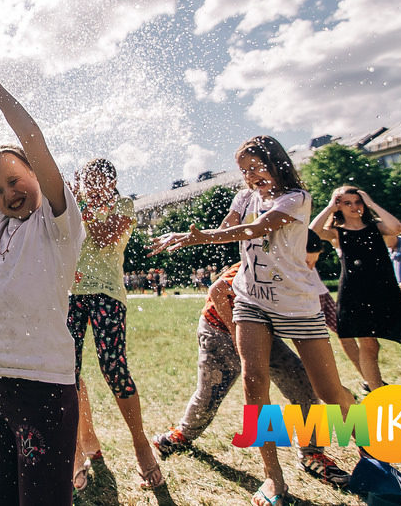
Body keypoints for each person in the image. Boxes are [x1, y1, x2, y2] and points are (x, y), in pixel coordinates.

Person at [150, 135, 356, 506]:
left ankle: (356, 428)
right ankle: (273, 479)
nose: (250, 176)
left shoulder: (296, 199)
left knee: (327, 392)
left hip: (295, 303)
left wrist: (205, 237)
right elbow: (232, 225)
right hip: (251, 299)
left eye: (257, 166)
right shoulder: (244, 197)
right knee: (255, 381)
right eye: (244, 170)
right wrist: (189, 235)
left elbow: (257, 229)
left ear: (277, 162)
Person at [0, 60, 85, 505]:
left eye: (14, 180)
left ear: (35, 173)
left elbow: (33, 139)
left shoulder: (56, 222)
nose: (7, 193)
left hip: (44, 389)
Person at [151, 264, 351, 488]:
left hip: (263, 333)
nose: (309, 266)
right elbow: (217, 290)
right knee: (209, 396)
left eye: (314, 263)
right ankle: (182, 435)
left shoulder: (300, 272)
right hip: (219, 332)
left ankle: (311, 453)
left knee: (303, 384)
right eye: (307, 260)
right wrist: (236, 333)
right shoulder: (264, 261)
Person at [67, 159, 163, 492]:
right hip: (71, 294)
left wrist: (80, 203)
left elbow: (106, 236)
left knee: (114, 368)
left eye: (98, 181)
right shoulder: (73, 204)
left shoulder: (123, 205)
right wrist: (70, 198)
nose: (92, 187)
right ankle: (76, 449)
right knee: (66, 371)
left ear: (112, 181)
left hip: (107, 293)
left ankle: (140, 444)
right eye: (87, 181)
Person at [311, 187, 401, 421]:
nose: (355, 207)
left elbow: (397, 228)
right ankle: (381, 406)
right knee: (369, 349)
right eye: (347, 203)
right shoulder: (336, 233)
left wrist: (371, 202)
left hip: (389, 297)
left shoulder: (376, 227)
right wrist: (330, 208)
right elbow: (312, 233)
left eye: (358, 201)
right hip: (355, 298)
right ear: (339, 206)